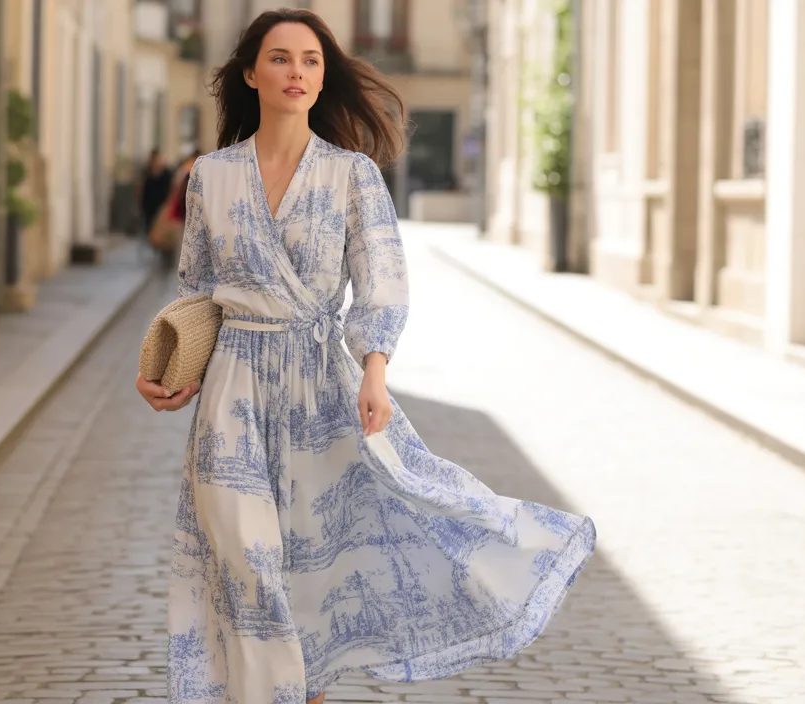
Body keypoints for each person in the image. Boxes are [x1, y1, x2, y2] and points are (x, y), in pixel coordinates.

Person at [135, 9, 596, 703]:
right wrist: (174, 369)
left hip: (321, 390)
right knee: (246, 567)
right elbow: (197, 291)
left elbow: (381, 280)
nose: (297, 72)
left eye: (311, 61)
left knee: (311, 583)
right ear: (251, 73)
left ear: (324, 78)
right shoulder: (211, 176)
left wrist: (374, 371)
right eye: (282, 58)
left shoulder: (352, 176)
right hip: (232, 392)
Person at [138, 149, 174, 239]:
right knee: (151, 232)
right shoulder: (147, 173)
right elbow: (141, 189)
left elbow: (171, 189)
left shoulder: (167, 174)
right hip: (149, 207)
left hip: (162, 206)